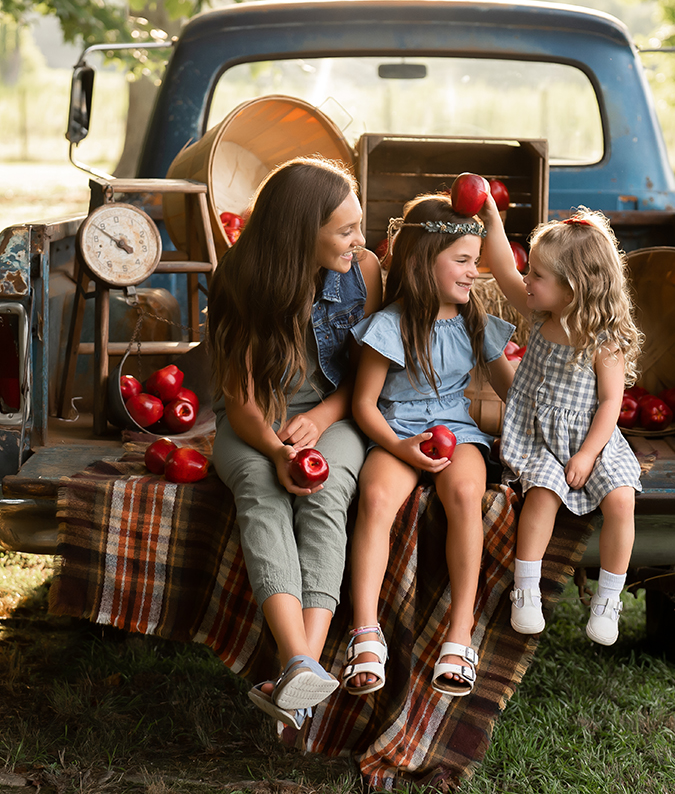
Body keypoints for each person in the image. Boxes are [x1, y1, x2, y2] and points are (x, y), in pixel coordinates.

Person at [206, 156, 383, 729]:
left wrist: (327, 415)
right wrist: (279, 451)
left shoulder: (367, 273)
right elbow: (241, 397)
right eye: (346, 230)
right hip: (258, 418)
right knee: (259, 487)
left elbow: (370, 373)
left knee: (326, 494)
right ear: (301, 231)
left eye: (359, 225)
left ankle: (295, 675)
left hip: (339, 412)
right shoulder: (239, 278)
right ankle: (300, 664)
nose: (359, 239)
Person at [341, 193, 515, 698]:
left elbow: (511, 390)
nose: (472, 273)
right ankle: (365, 632)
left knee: (464, 496)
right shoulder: (391, 324)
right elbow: (364, 406)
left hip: (458, 432)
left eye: (475, 262)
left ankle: (459, 634)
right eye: (461, 261)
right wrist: (400, 448)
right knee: (375, 500)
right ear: (423, 261)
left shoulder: (473, 321)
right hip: (396, 432)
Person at [485, 202, 643, 645]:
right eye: (530, 272)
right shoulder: (539, 314)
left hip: (593, 437)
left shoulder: (603, 339)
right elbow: (500, 268)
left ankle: (608, 600)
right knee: (542, 493)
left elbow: (611, 402)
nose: (527, 281)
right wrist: (493, 220)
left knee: (621, 500)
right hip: (540, 438)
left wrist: (590, 454)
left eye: (537, 275)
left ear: (573, 289)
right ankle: (526, 590)